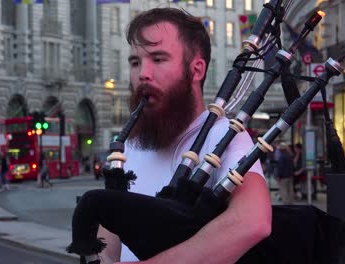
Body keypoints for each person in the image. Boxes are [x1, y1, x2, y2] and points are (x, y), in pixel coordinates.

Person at [97, 8, 271, 263]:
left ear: (196, 69)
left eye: (158, 59)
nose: (142, 73)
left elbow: (253, 221)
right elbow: (112, 223)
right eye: (135, 62)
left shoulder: (223, 135)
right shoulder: (133, 143)